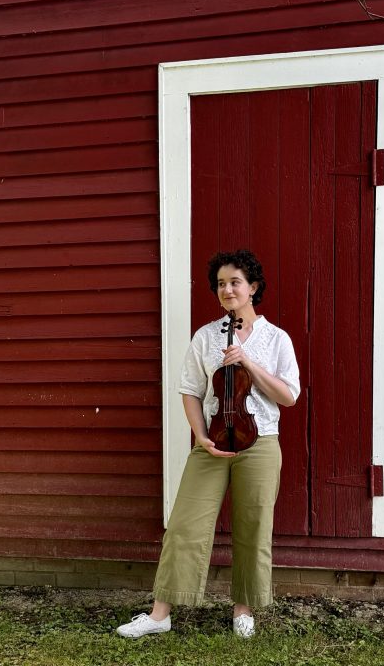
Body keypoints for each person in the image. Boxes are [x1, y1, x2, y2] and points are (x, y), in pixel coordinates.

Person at [117, 249, 300, 640]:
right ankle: (160, 613)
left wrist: (248, 363)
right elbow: (189, 391)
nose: (227, 289)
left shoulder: (276, 339)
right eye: (220, 284)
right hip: (214, 440)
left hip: (261, 441)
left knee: (253, 526)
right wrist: (201, 436)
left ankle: (243, 610)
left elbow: (288, 396)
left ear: (253, 288)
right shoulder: (205, 336)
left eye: (235, 282)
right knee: (184, 524)